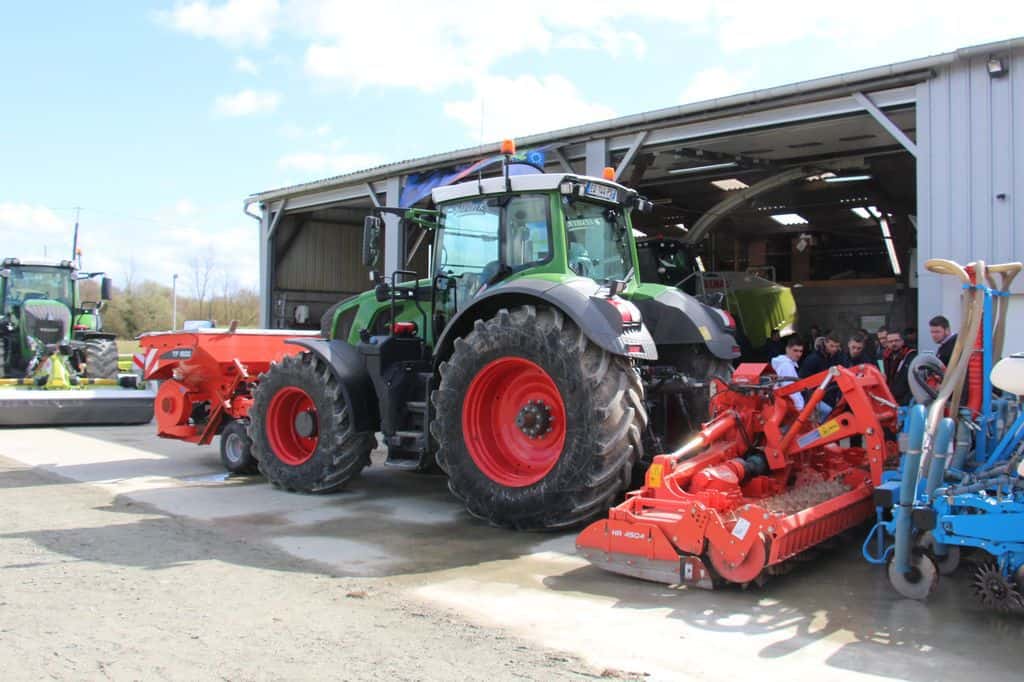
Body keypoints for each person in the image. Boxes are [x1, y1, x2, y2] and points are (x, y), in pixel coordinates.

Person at [771, 335, 805, 410]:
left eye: (801, 351)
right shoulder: (786, 366)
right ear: (787, 349)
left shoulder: (784, 364)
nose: (799, 354)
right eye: (795, 350)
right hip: (794, 408)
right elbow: (790, 389)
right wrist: (801, 407)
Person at [883, 331, 917, 405]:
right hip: (891, 398)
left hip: (906, 399)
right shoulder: (886, 356)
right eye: (890, 341)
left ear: (902, 341)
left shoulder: (911, 356)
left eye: (896, 340)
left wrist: (907, 399)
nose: (893, 343)